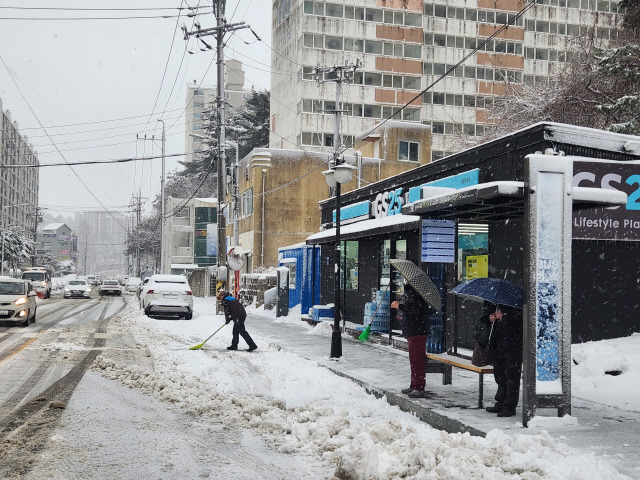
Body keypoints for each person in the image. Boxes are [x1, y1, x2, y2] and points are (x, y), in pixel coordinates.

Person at [390, 283, 433, 398]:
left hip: (417, 332)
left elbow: (413, 310)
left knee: (417, 360)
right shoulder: (415, 295)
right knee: (414, 360)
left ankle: (418, 387)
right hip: (414, 331)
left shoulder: (417, 296)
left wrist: (399, 306)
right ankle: (414, 385)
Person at [485, 304, 523, 417]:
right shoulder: (495, 302)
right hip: (499, 343)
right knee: (500, 374)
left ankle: (509, 406)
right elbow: (485, 318)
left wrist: (505, 315)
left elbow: (522, 318)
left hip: (514, 343)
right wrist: (490, 318)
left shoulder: (516, 303)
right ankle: (501, 402)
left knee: (512, 376)